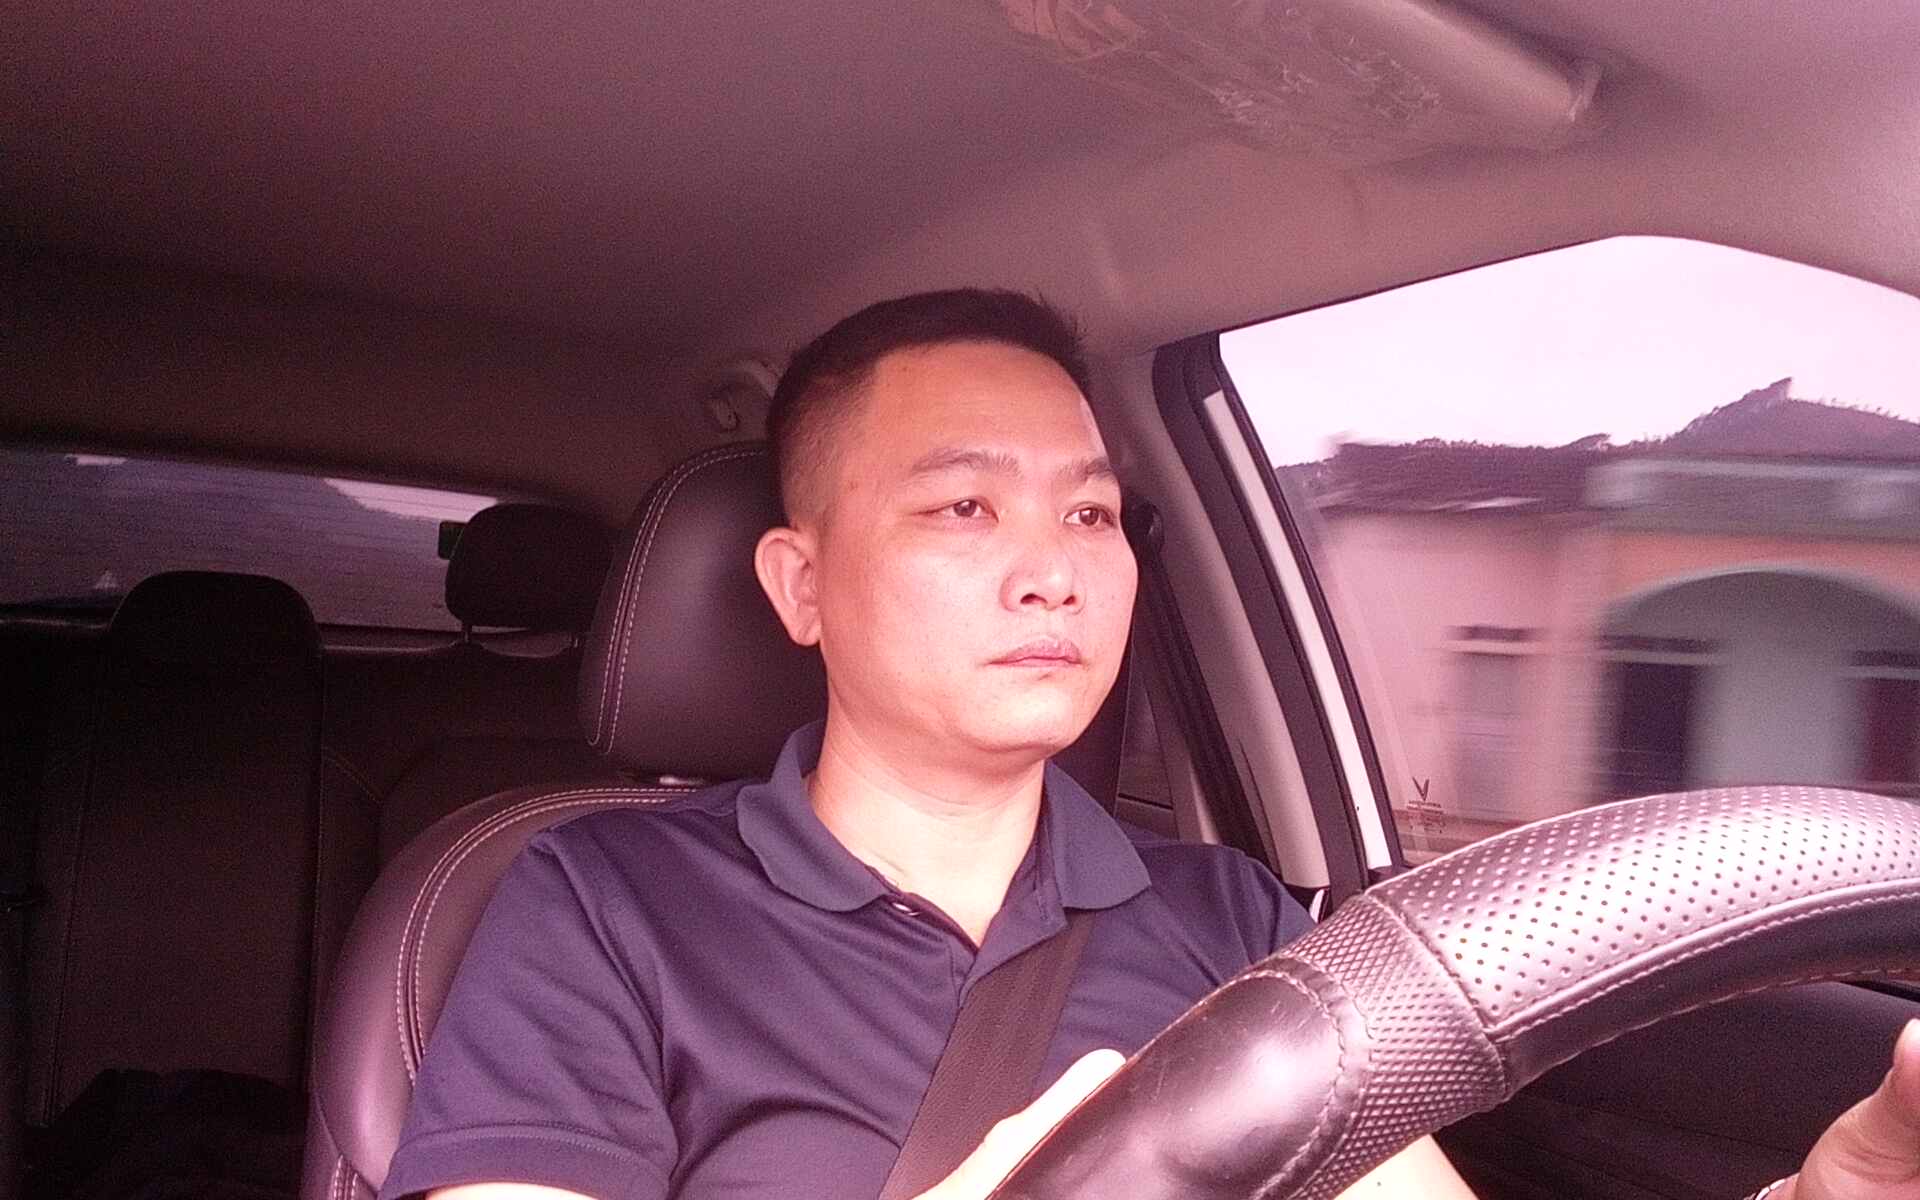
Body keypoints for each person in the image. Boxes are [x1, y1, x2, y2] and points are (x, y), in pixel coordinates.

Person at [381, 290, 1920, 1200]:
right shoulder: (597, 904)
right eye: (963, 506)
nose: (1054, 569)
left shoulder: (1233, 917)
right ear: (800, 586)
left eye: (1093, 513)